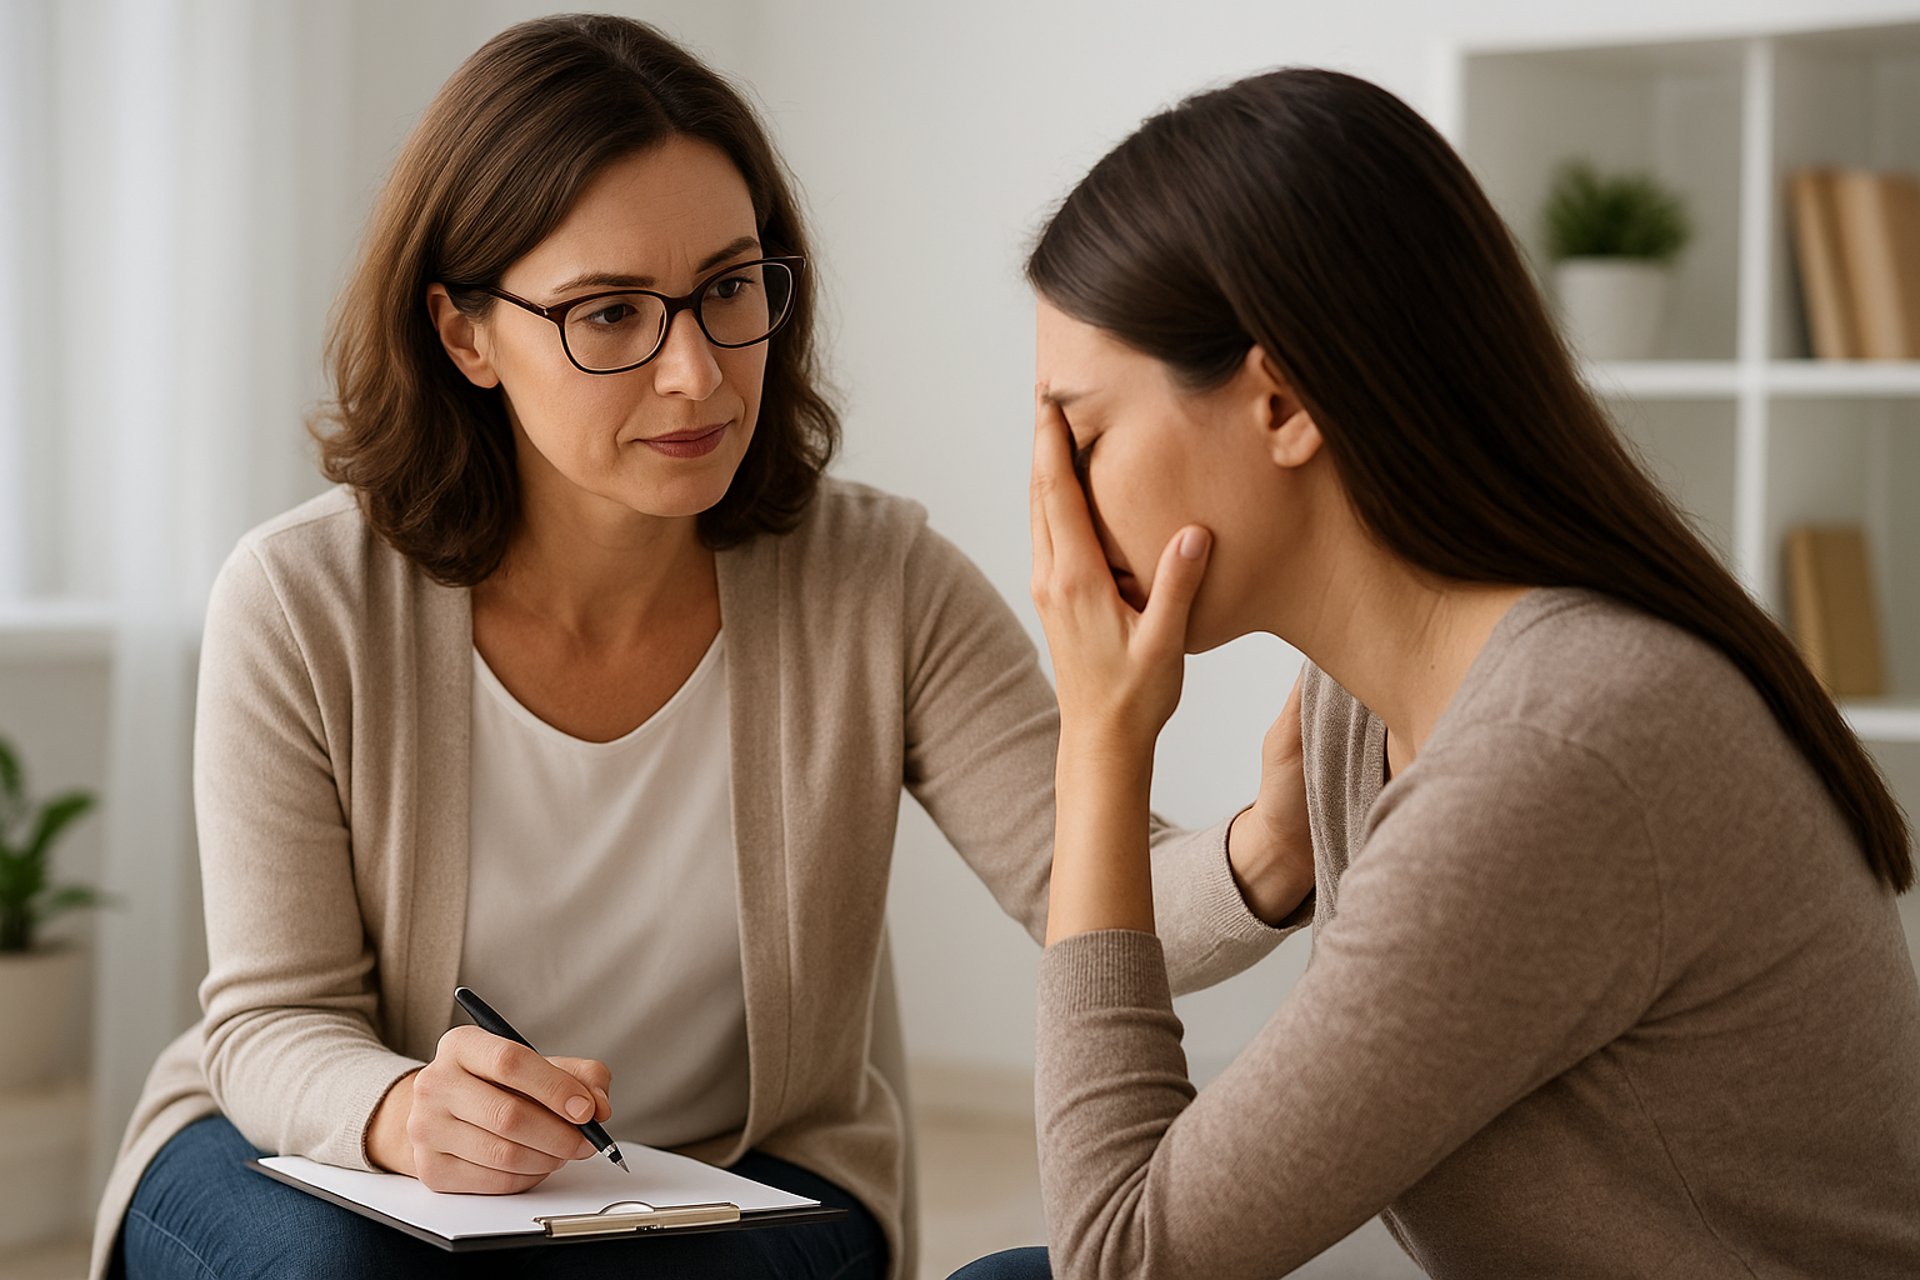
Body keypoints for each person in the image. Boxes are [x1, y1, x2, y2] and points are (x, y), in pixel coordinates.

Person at [89, 18, 1307, 1280]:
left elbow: (1096, 892)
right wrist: (402, 1112)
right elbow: (274, 1019)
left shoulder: (878, 580)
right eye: (610, 314)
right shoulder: (300, 602)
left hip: (745, 1173)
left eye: (729, 289)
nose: (697, 374)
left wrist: (1277, 838)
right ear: (464, 335)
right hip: (329, 1160)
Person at [954, 67, 1920, 1280]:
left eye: (1078, 437)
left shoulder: (1556, 748)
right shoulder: (1386, 699)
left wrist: (1103, 737)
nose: (1053, 505)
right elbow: (1123, 917)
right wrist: (1273, 841)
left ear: (1283, 399)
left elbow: (1120, 1254)